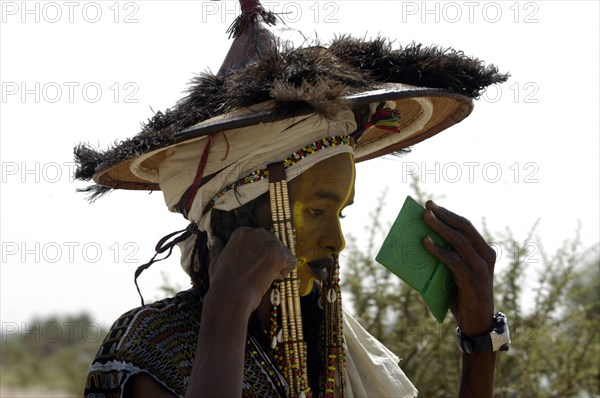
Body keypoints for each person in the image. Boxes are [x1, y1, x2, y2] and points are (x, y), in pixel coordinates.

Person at [76, 1, 509, 397]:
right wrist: (226, 310)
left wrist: (480, 338)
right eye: (317, 210)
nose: (336, 241)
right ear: (238, 215)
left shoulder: (328, 349)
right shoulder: (153, 346)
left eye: (340, 212)